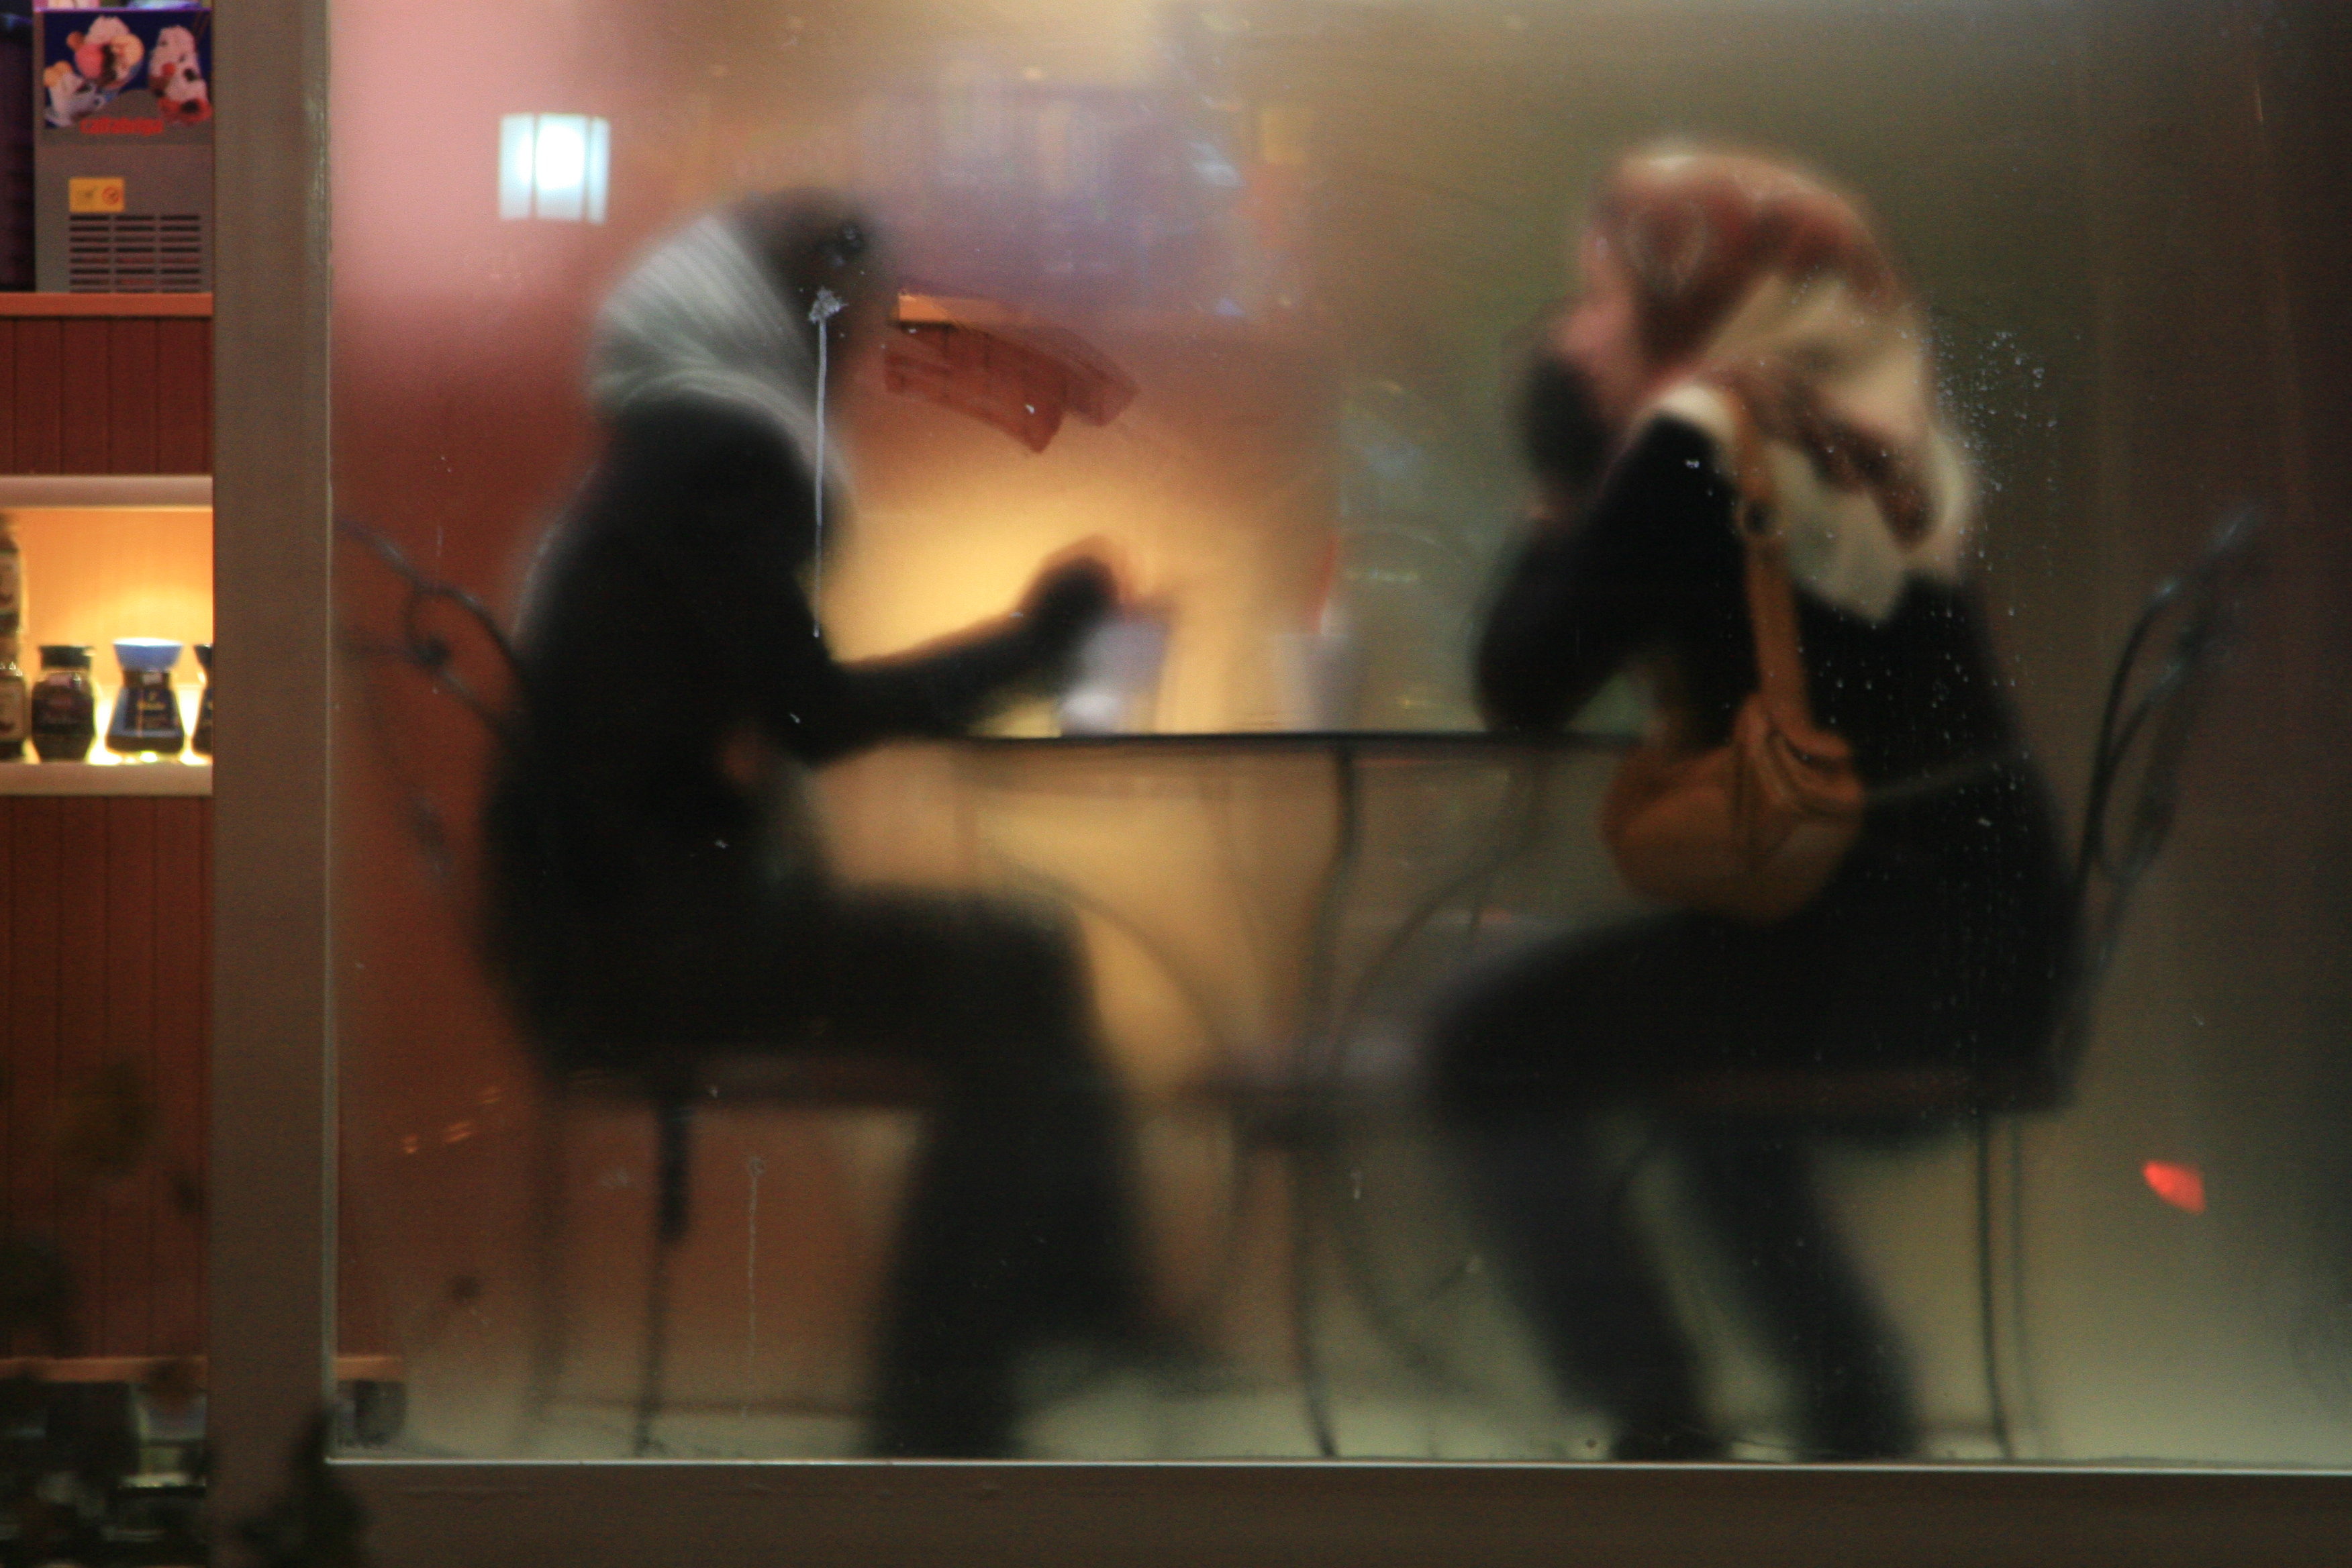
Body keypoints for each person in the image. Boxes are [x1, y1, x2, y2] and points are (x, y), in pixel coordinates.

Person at [1431, 147, 2075, 1460]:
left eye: (1605, 297)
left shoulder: (1696, 445)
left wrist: (1560, 474)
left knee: (1481, 1038)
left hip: (1870, 952)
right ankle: (1857, 1408)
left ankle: (1652, 1414)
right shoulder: (1860, 422)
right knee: (1689, 1054)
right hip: (1990, 945)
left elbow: (1522, 681)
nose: (1582, 329)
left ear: (1691, 301)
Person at [481, 193, 1142, 1457]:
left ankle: (1055, 1331)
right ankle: (954, 1393)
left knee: (1023, 962)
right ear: (789, 322)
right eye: (849, 321)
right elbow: (811, 716)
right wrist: (1036, 643)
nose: (866, 356)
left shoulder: (665, 445)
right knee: (1016, 968)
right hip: (635, 948)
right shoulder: (727, 455)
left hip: (593, 930)